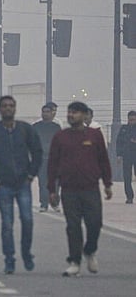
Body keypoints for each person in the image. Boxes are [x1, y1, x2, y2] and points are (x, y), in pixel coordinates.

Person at [47, 101, 113, 277]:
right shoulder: (60, 137)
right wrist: (51, 190)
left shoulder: (95, 136)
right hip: (69, 190)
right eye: (69, 112)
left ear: (85, 115)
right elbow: (52, 164)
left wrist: (108, 184)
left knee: (95, 223)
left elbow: (103, 160)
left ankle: (89, 250)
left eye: (75, 112)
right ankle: (75, 261)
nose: (71, 115)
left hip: (91, 188)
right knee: (73, 226)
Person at [0, 95, 42, 274]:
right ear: (0, 109)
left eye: (11, 106)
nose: (8, 109)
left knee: (28, 220)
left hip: (23, 182)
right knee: (7, 223)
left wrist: (31, 174)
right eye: (5, 106)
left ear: (15, 108)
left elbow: (37, 152)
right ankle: (9, 258)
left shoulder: (25, 130)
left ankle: (26, 252)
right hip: (4, 184)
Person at [33, 103, 62, 211]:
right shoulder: (36, 127)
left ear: (52, 113)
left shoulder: (56, 127)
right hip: (41, 159)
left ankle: (54, 203)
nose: (45, 114)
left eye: (48, 112)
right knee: (43, 182)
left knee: (56, 183)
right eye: (44, 112)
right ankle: (44, 203)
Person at [116, 110, 136, 204]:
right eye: (130, 119)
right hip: (127, 156)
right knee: (127, 177)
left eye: (133, 119)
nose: (132, 121)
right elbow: (119, 142)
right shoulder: (124, 129)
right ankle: (129, 196)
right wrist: (119, 155)